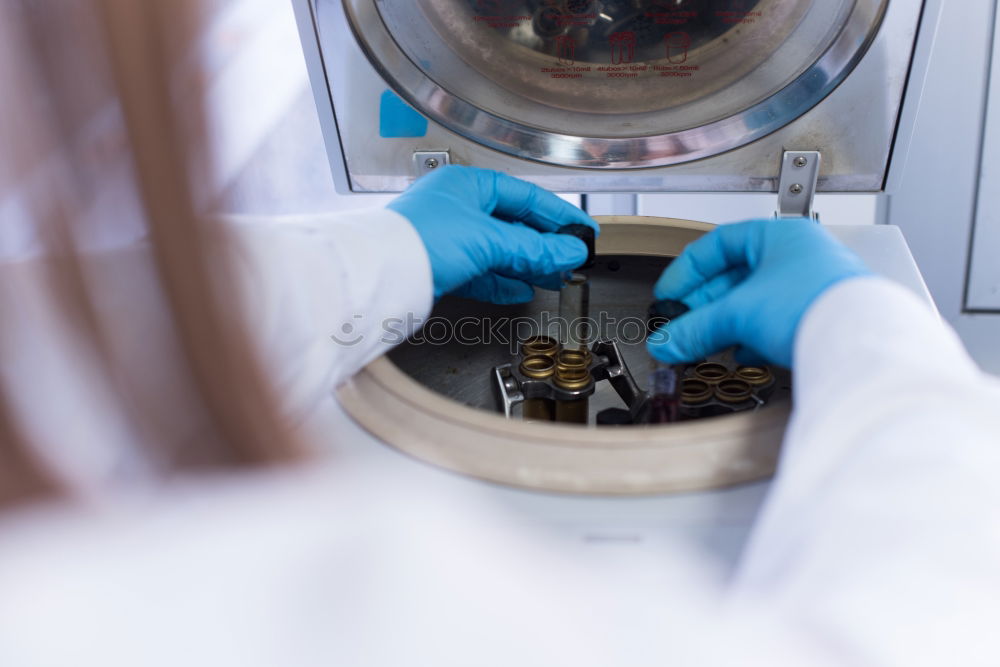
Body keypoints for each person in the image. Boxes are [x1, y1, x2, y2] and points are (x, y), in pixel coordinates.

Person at [2, 2, 999, 666]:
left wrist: (379, 256)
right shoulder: (351, 597)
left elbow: (63, 342)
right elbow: (915, 626)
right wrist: (870, 337)